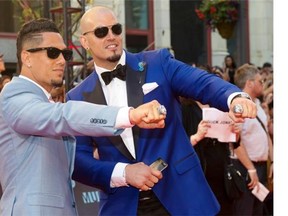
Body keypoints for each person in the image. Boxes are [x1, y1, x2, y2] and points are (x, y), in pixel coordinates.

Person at [66, 6, 257, 215]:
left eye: (116, 29)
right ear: (84, 42)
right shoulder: (77, 98)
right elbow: (79, 161)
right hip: (123, 205)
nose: (111, 36)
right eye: (101, 32)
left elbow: (202, 82)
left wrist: (235, 96)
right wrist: (124, 172)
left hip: (182, 197)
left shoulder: (157, 63)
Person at [0, 18, 166, 216]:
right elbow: (62, 116)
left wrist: (124, 173)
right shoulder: (14, 95)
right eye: (52, 53)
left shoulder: (44, 103)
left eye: (65, 53)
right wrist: (128, 114)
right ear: (26, 58)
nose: (62, 60)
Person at [232, 64, 274, 216]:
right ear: (249, 83)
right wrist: (250, 169)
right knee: (245, 210)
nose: (262, 84)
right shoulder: (238, 105)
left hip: (261, 167)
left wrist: (273, 161)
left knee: (258, 211)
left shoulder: (257, 103)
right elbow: (236, 142)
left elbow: (265, 134)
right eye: (260, 81)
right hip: (245, 168)